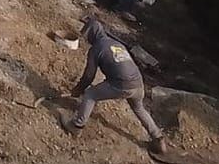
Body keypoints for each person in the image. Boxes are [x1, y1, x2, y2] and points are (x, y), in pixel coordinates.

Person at [67, 15, 167, 153]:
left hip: (122, 85)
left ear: (91, 35)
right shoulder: (116, 43)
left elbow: (89, 76)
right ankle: (158, 137)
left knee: (90, 94)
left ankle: (77, 126)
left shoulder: (96, 48)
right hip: (138, 83)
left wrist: (78, 89)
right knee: (138, 108)